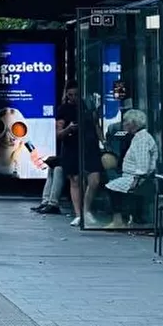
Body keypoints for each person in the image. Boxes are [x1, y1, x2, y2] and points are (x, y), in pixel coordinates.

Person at [58, 81, 103, 227]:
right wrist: (69, 129)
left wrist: (103, 141)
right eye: (70, 95)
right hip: (72, 146)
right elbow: (58, 133)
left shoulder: (88, 106)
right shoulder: (64, 109)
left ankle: (86, 209)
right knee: (75, 180)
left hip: (90, 145)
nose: (73, 98)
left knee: (94, 179)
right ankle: (79, 214)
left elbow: (96, 125)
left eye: (76, 95)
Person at [104, 109, 158, 228]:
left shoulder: (142, 139)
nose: (123, 124)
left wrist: (136, 180)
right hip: (132, 176)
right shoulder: (138, 137)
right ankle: (127, 219)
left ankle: (119, 220)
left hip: (137, 178)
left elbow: (143, 164)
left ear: (133, 123)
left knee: (111, 187)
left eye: (125, 121)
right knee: (113, 184)